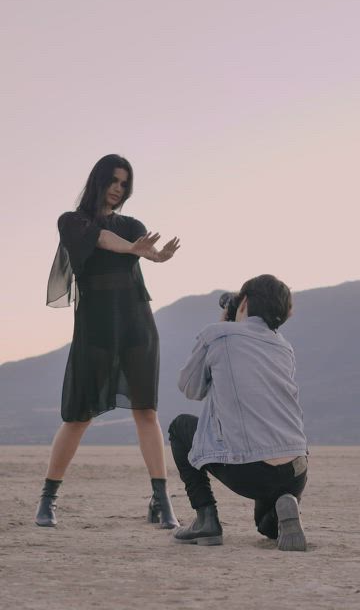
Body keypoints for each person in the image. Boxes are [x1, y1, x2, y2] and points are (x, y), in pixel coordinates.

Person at [35, 154, 180, 529]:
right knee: (78, 416)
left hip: (136, 324)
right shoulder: (72, 222)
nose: (119, 189)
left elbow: (140, 247)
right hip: (95, 329)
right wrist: (132, 249)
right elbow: (102, 238)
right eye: (113, 181)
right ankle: (48, 499)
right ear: (99, 181)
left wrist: (155, 256)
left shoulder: (133, 225)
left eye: (124, 183)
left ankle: (162, 502)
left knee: (146, 411)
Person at [168, 274, 308, 550]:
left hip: (250, 469)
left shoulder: (217, 335)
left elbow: (190, 388)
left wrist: (222, 326)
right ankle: (286, 505)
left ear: (243, 303)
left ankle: (206, 518)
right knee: (266, 527)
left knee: (180, 428)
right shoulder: (284, 346)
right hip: (296, 471)